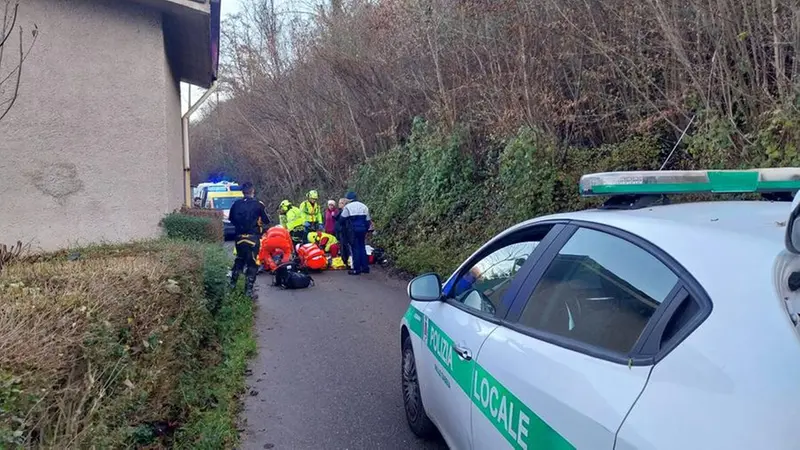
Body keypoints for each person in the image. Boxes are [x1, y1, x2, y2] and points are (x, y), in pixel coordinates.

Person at [228, 182, 271, 299]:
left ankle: (231, 288)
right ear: (253, 191)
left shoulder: (236, 204)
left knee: (239, 261)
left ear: (242, 192)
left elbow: (231, 219)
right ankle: (248, 292)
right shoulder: (258, 205)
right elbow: (267, 220)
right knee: (252, 264)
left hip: (239, 238)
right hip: (253, 238)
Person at [340, 191, 371, 275]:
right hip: (363, 229)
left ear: (348, 199)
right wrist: (366, 229)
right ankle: (365, 268)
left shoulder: (348, 207)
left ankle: (356, 269)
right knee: (362, 247)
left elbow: (342, 219)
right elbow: (368, 221)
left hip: (353, 230)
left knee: (355, 249)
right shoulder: (364, 206)